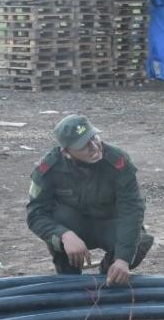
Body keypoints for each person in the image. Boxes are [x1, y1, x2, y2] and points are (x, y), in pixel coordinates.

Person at [26, 115, 154, 286]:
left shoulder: (118, 161)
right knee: (59, 223)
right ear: (67, 152)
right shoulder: (50, 168)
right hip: (74, 227)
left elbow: (132, 210)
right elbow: (35, 214)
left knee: (139, 240)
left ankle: (107, 276)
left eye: (94, 138)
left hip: (108, 223)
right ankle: (69, 280)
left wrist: (123, 259)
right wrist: (65, 235)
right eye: (84, 145)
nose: (94, 147)